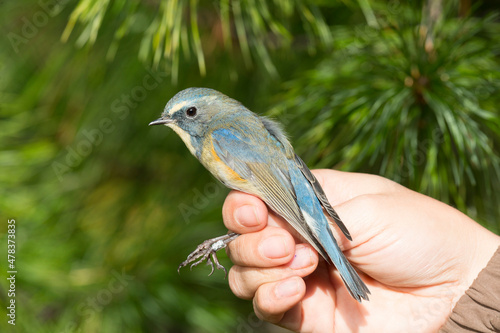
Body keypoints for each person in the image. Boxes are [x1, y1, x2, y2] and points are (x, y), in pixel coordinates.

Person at [222, 169, 500, 332]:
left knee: (267, 232)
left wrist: (462, 274)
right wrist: (463, 276)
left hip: (294, 201)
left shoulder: (222, 134)